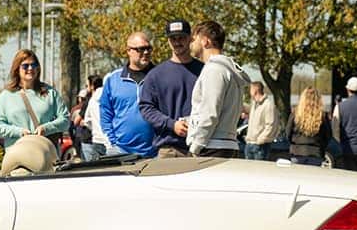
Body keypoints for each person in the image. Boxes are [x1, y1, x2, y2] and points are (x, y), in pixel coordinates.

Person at [138, 19, 203, 158]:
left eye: (182, 37)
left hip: (201, 149)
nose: (177, 42)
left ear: (190, 38)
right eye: (173, 38)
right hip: (169, 150)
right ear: (168, 41)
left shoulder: (204, 71)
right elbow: (146, 107)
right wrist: (171, 124)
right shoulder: (156, 75)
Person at [185, 20, 249, 158]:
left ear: (205, 41)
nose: (190, 44)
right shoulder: (227, 70)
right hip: (226, 143)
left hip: (211, 146)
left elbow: (210, 113)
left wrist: (195, 146)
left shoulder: (214, 69)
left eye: (193, 40)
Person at [0, 49, 68, 149]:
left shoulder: (50, 93)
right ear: (17, 69)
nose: (30, 68)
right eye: (25, 66)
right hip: (17, 156)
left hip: (45, 154)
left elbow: (65, 120)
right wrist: (20, 132)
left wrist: (46, 128)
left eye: (34, 65)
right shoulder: (6, 95)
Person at [98, 32, 157, 158]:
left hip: (155, 152)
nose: (146, 52)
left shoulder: (160, 77)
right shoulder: (113, 79)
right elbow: (105, 113)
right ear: (129, 51)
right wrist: (112, 143)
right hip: (120, 151)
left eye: (148, 48)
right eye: (141, 49)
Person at [332, 76, 357, 172]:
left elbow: (335, 129)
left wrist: (339, 143)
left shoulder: (339, 107)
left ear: (347, 89)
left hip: (346, 149)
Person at [287, 86, 331, 166]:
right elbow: (327, 136)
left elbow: (288, 133)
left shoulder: (295, 114)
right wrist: (321, 146)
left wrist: (293, 143)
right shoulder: (322, 115)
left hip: (297, 151)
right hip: (316, 152)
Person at [245, 81, 280, 160]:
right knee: (248, 171)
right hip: (249, 144)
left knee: (259, 171)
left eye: (251, 89)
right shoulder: (254, 104)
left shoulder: (268, 105)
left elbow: (271, 125)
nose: (249, 91)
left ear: (255, 90)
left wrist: (260, 140)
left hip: (260, 146)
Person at [72, 75, 103, 160]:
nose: (86, 88)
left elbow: (76, 121)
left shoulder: (89, 101)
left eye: (87, 86)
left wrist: (83, 121)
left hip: (88, 139)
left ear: (92, 86)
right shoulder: (107, 99)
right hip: (104, 139)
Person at [83, 79, 109, 160]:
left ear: (92, 86)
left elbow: (87, 120)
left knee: (97, 169)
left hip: (97, 139)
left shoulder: (92, 100)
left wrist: (94, 128)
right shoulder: (111, 97)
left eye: (87, 85)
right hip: (110, 140)